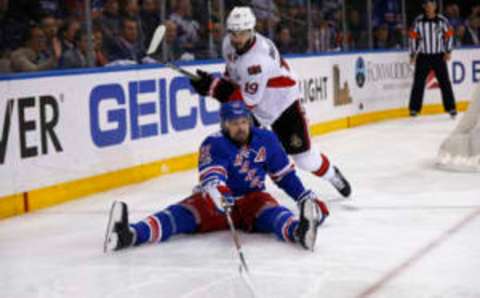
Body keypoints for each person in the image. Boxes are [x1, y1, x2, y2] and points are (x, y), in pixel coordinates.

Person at [104, 101, 330, 252]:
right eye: (234, 124)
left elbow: (284, 176)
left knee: (274, 214)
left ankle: (300, 232)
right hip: (220, 202)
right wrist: (219, 193)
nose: (240, 128)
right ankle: (130, 234)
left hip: (253, 199)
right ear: (224, 125)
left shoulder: (267, 140)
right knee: (179, 215)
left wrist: (304, 197)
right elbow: (212, 178)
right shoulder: (214, 143)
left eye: (243, 122)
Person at [189, 6, 351, 198]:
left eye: (241, 33)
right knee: (232, 138)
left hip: (283, 105)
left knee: (305, 160)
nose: (236, 38)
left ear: (251, 31)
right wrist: (213, 82)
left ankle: (332, 174)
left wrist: (212, 88)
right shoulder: (229, 44)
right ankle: (224, 185)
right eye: (233, 33)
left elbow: (246, 103)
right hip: (258, 102)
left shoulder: (257, 61)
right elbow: (234, 75)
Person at [408, 0, 457, 118]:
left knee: (445, 82)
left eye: (432, 5)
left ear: (435, 6)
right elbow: (412, 37)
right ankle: (414, 109)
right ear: (424, 7)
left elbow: (449, 34)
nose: (429, 8)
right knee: (418, 83)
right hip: (423, 56)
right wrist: (413, 54)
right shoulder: (418, 21)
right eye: (427, 5)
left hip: (439, 56)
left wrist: (448, 51)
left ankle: (451, 108)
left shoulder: (442, 20)